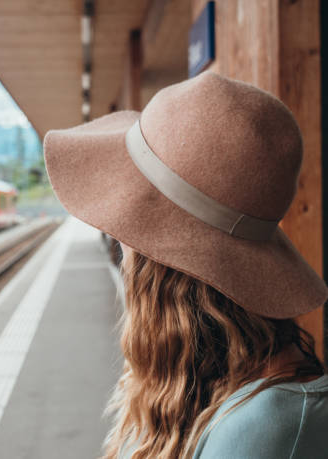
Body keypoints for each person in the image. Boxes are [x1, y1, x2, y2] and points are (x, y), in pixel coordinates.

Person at [42, 71, 328, 459]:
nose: (120, 245)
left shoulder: (264, 429)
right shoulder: (203, 376)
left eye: (124, 228)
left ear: (157, 264)